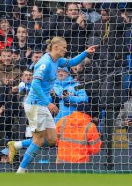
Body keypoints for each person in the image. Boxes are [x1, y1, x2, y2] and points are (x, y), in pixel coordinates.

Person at [8, 36, 97, 172]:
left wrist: (86, 52)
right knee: (38, 140)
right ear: (56, 47)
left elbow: (72, 61)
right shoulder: (45, 63)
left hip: (42, 104)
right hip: (35, 104)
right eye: (64, 47)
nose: (66, 50)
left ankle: (17, 145)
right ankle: (20, 171)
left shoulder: (57, 60)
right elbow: (35, 85)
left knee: (52, 139)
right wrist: (48, 103)